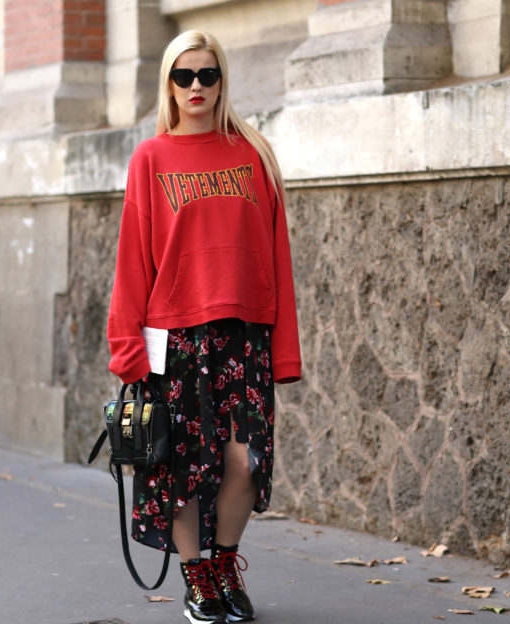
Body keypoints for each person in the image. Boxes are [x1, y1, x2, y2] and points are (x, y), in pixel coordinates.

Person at [106, 29, 302, 624]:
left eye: (208, 75)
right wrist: (126, 348)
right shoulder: (150, 158)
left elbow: (277, 259)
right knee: (183, 466)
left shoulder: (253, 155)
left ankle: (224, 562)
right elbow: (133, 259)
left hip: (243, 335)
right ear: (168, 83)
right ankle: (199, 582)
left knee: (245, 461)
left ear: (222, 81)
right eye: (184, 76)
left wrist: (285, 351)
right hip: (174, 338)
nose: (196, 86)